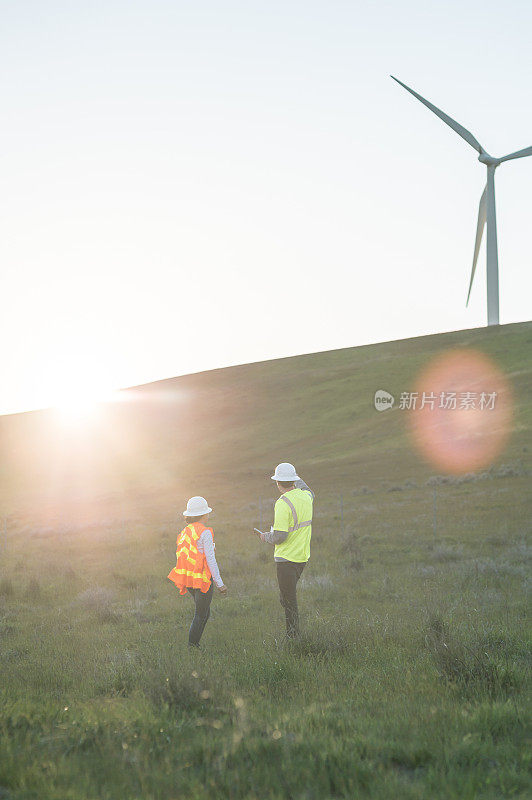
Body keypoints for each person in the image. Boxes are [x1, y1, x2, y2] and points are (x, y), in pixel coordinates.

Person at [255, 463, 314, 638]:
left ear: (277, 483)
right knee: (286, 598)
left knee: (288, 601)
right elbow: (309, 490)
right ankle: (294, 636)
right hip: (302, 557)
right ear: (294, 480)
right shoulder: (306, 497)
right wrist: (295, 476)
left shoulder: (283, 503)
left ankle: (293, 638)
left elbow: (280, 536)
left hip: (286, 559)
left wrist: (265, 536)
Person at [167, 496, 227, 648]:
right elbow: (211, 560)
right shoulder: (205, 533)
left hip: (189, 581)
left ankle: (194, 645)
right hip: (202, 581)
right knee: (201, 615)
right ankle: (192, 647)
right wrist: (220, 583)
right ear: (205, 514)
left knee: (204, 613)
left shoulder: (185, 531)